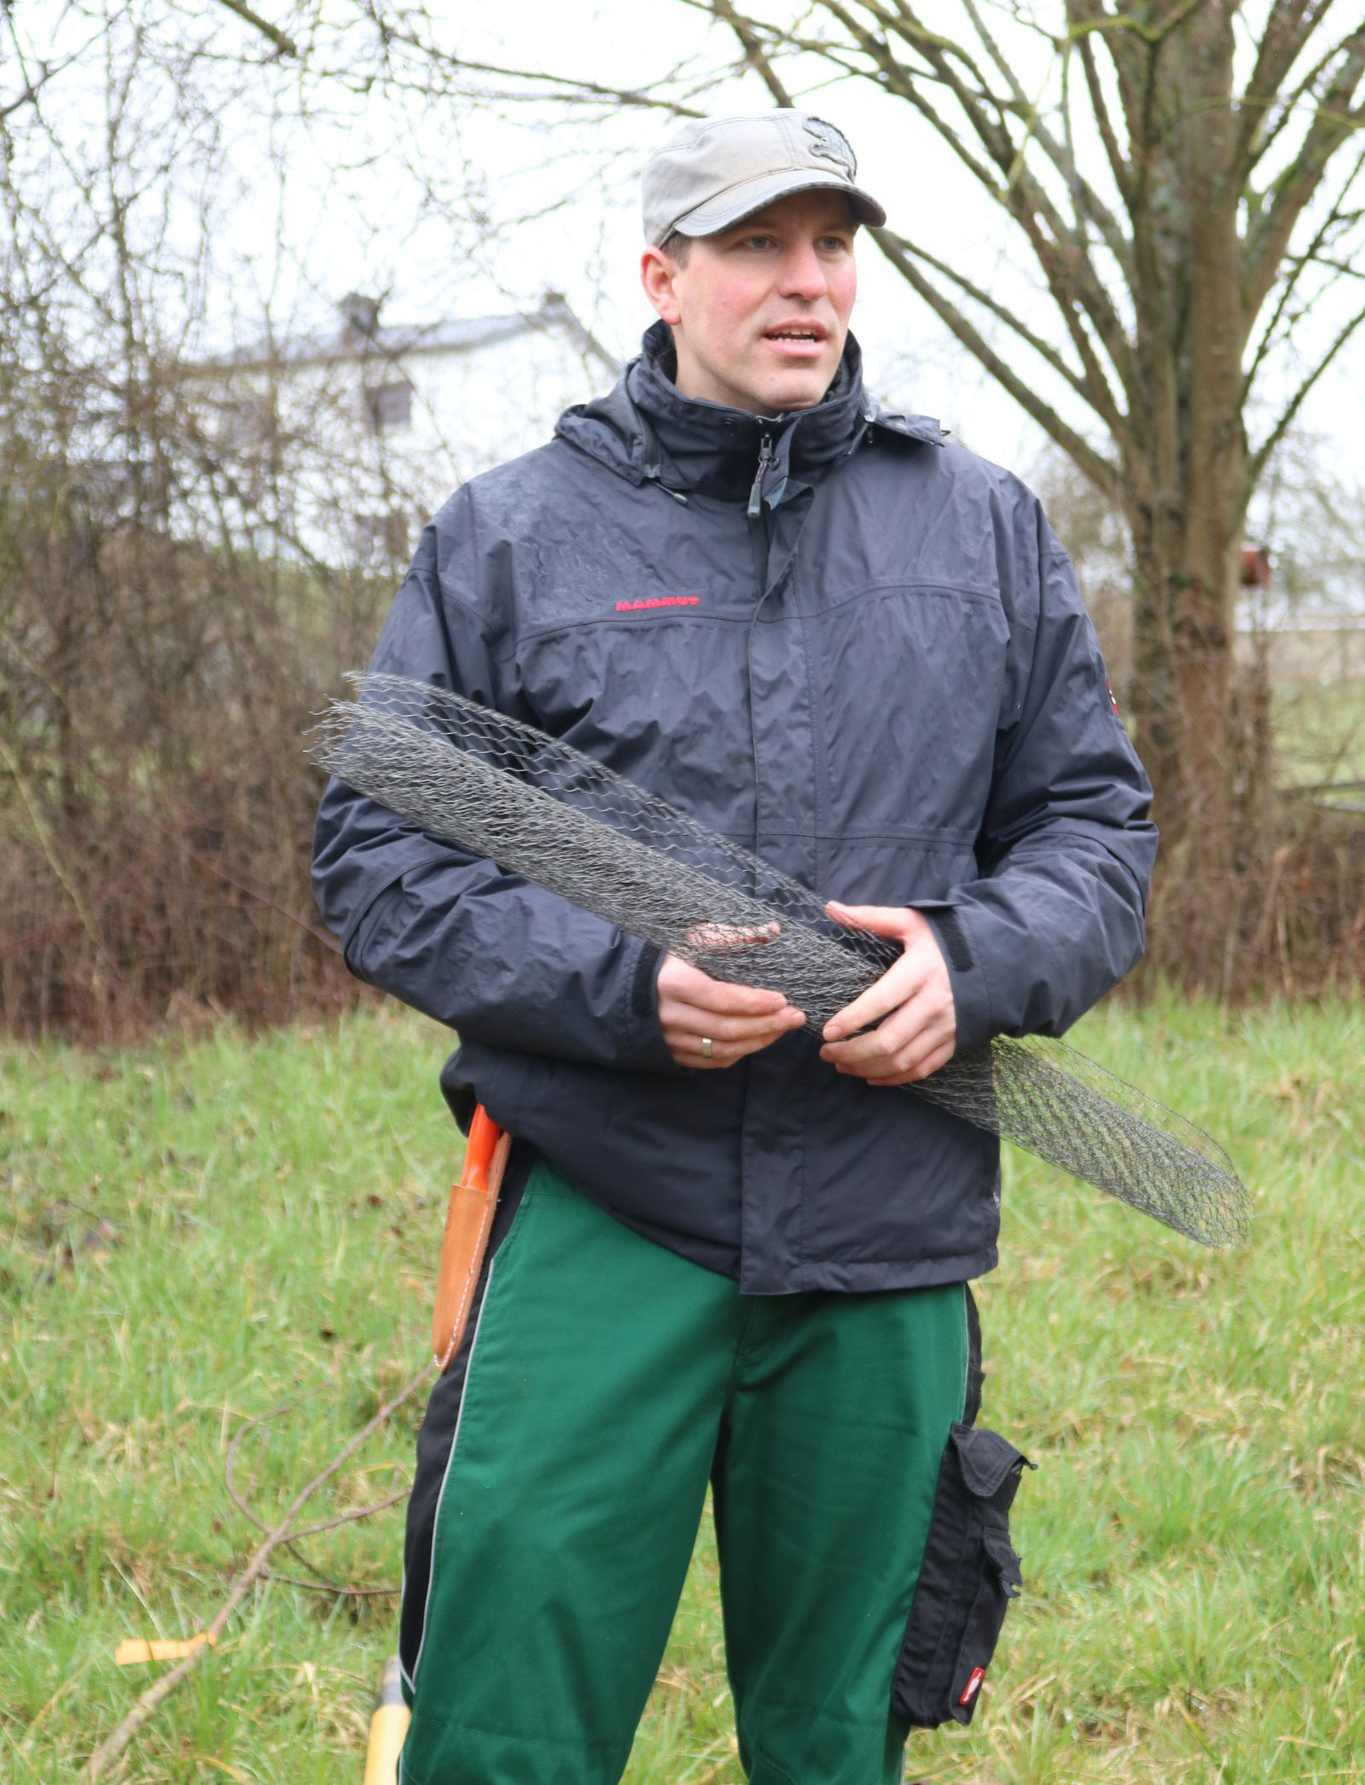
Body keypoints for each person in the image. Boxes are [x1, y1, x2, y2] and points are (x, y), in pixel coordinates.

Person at [312, 108, 1157, 1785]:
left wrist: (967, 966)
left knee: (841, 1739)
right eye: (757, 246)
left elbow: (1094, 835)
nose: (804, 283)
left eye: (831, 245)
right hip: (601, 1206)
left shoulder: (976, 526)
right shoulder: (510, 534)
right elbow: (374, 853)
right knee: (500, 1731)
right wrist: (623, 991)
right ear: (660, 275)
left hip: (889, 1220)